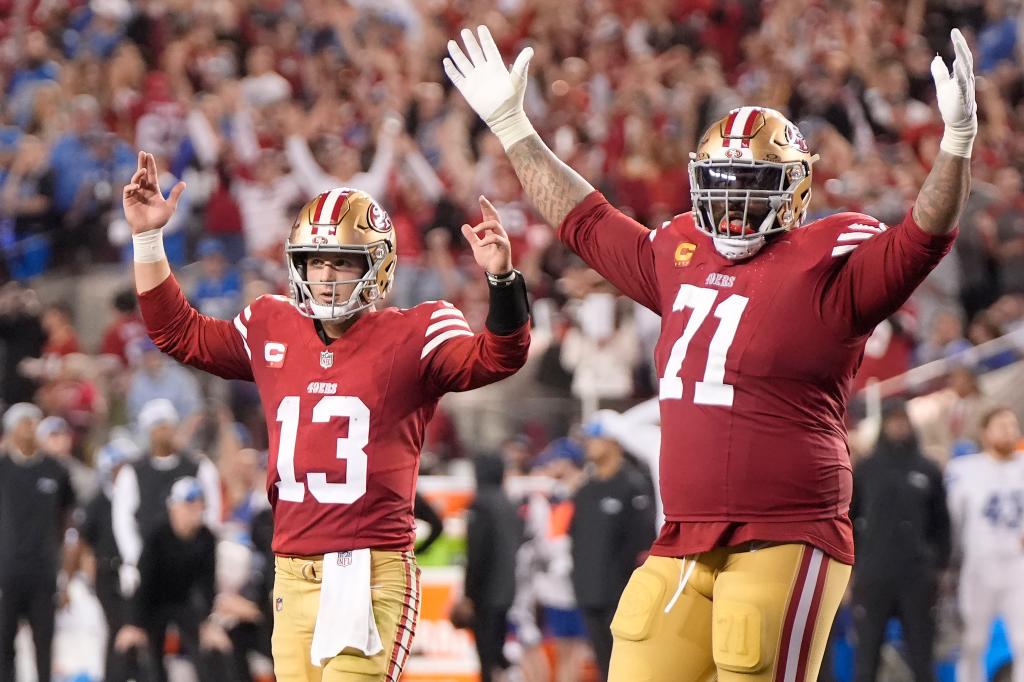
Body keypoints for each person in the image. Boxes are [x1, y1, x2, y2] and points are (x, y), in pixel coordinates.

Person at [445, 25, 976, 682]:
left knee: (751, 658)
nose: (732, 204)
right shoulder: (679, 255)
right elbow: (582, 220)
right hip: (684, 537)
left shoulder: (828, 265)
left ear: (795, 190)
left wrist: (954, 147)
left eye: (753, 184)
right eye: (721, 183)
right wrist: (512, 126)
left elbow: (923, 239)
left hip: (787, 533)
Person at [123, 150, 531, 681]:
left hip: (370, 572)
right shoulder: (272, 324)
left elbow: (499, 355)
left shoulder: (416, 332)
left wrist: (501, 282)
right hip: (291, 573)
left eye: (342, 260)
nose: (325, 274)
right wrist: (148, 240)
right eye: (315, 261)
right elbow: (178, 332)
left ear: (376, 265)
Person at [849, 402, 951, 682]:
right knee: (867, 656)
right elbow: (849, 519)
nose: (899, 426)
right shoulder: (867, 468)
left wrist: (940, 566)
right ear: (884, 425)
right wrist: (850, 570)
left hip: (916, 575)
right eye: (893, 420)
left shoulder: (927, 468)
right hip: (874, 575)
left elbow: (941, 523)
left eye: (903, 420)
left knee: (922, 656)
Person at [113, 476, 231, 682]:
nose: (194, 512)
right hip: (153, 604)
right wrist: (134, 622)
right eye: (188, 506)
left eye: (198, 506)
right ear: (174, 509)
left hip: (184, 602)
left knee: (213, 651)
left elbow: (206, 585)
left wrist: (208, 621)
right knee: (139, 654)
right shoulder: (157, 536)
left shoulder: (206, 538)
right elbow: (144, 583)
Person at [569, 420, 656, 680]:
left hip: (621, 593)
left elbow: (643, 542)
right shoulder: (585, 490)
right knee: (603, 664)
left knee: (628, 664)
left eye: (596, 437)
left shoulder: (633, 485)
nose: (589, 444)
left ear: (615, 441)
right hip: (589, 591)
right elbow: (576, 539)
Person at [945, 407, 1024, 682]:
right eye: (1001, 425)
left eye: (1012, 425)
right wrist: (949, 565)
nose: (1008, 430)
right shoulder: (965, 469)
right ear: (984, 432)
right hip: (979, 565)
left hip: (1018, 566)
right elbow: (952, 523)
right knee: (973, 642)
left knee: (1023, 641)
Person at [0, 403, 75, 682]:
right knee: (4, 645)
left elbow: (67, 522)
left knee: (44, 645)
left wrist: (66, 573)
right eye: (24, 422)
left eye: (34, 422)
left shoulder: (56, 469)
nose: (31, 427)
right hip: (6, 572)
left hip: (44, 571)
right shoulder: (3, 468)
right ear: (11, 429)